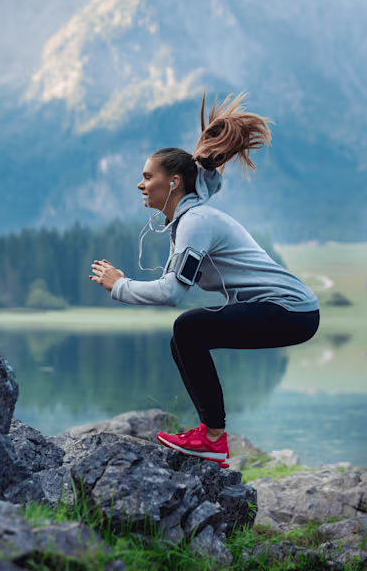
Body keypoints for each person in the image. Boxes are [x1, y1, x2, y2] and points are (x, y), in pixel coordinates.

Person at [89, 92, 320, 468]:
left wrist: (119, 285)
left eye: (147, 177)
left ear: (173, 182)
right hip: (292, 311)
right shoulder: (190, 217)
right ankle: (209, 434)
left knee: (188, 327)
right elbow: (205, 186)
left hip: (292, 310)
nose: (140, 185)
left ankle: (212, 438)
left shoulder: (195, 223)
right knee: (183, 338)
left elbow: (172, 292)